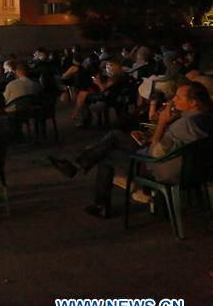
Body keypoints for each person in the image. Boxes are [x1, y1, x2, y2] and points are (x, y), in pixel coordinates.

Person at [49, 82, 213, 218]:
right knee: (115, 136)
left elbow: (156, 152)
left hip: (161, 168)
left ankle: (100, 204)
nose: (174, 100)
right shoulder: (205, 118)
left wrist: (162, 123)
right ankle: (76, 166)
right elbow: (174, 143)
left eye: (178, 97)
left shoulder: (186, 124)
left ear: (193, 103)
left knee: (107, 156)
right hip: (196, 168)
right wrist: (149, 138)